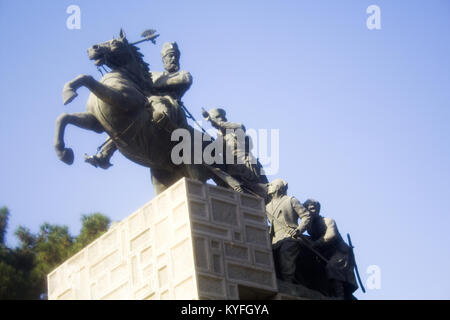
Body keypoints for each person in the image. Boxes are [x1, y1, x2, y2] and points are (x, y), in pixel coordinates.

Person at [85, 42, 192, 169]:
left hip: (168, 103)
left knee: (158, 103)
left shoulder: (182, 74)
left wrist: (151, 83)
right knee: (129, 117)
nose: (173, 59)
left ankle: (168, 127)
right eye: (169, 56)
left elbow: (183, 81)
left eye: (175, 56)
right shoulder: (151, 74)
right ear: (163, 59)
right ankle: (105, 153)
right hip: (145, 102)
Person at [202, 107, 268, 198]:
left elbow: (240, 126)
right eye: (211, 123)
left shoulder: (235, 130)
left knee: (259, 190)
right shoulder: (219, 137)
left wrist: (217, 122)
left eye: (213, 121)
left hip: (246, 165)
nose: (212, 124)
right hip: (232, 170)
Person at [303, 199, 358, 299]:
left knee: (332, 267)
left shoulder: (328, 221)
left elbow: (331, 235)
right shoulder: (310, 227)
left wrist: (315, 244)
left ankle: (340, 296)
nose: (311, 211)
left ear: (318, 209)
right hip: (325, 253)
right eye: (307, 209)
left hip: (340, 252)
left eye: (312, 208)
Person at [265, 179, 311, 283]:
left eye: (271, 185)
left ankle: (289, 284)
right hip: (275, 239)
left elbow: (306, 216)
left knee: (285, 255)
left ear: (278, 187)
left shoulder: (290, 200)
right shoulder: (267, 207)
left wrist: (298, 230)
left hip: (290, 236)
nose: (268, 186)